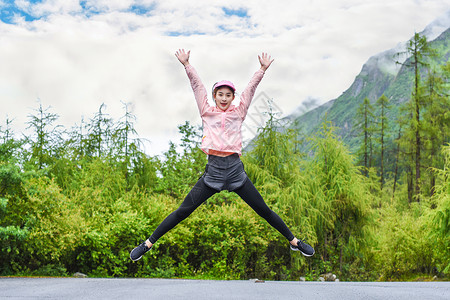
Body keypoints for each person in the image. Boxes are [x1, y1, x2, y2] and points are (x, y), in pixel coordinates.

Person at [130, 49, 314, 261]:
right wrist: (187, 65)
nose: (224, 98)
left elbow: (250, 90)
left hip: (236, 173)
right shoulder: (206, 111)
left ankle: (294, 242)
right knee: (183, 211)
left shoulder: (239, 112)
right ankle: (147, 244)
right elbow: (197, 87)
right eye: (220, 94)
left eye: (228, 95)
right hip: (213, 174)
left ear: (233, 98)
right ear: (214, 96)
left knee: (263, 210)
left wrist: (262, 70)